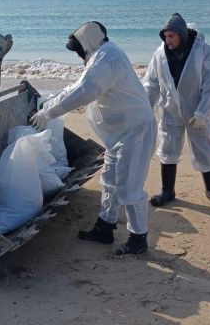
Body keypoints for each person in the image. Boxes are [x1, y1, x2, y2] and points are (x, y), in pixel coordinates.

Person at [31, 21, 156, 255]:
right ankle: (104, 228)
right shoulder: (102, 55)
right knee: (110, 180)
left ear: (86, 44)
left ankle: (138, 239)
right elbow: (76, 87)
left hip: (134, 132)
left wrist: (48, 113)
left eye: (78, 50)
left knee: (130, 186)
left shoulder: (106, 60)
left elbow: (83, 92)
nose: (79, 55)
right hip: (119, 134)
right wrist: (48, 102)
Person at [143, 12, 210, 209]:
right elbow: (152, 84)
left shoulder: (203, 51)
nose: (168, 40)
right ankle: (167, 190)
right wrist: (145, 108)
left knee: (205, 148)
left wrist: (203, 112)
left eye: (171, 36)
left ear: (182, 34)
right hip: (170, 110)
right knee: (167, 148)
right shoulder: (160, 54)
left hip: (196, 109)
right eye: (165, 36)